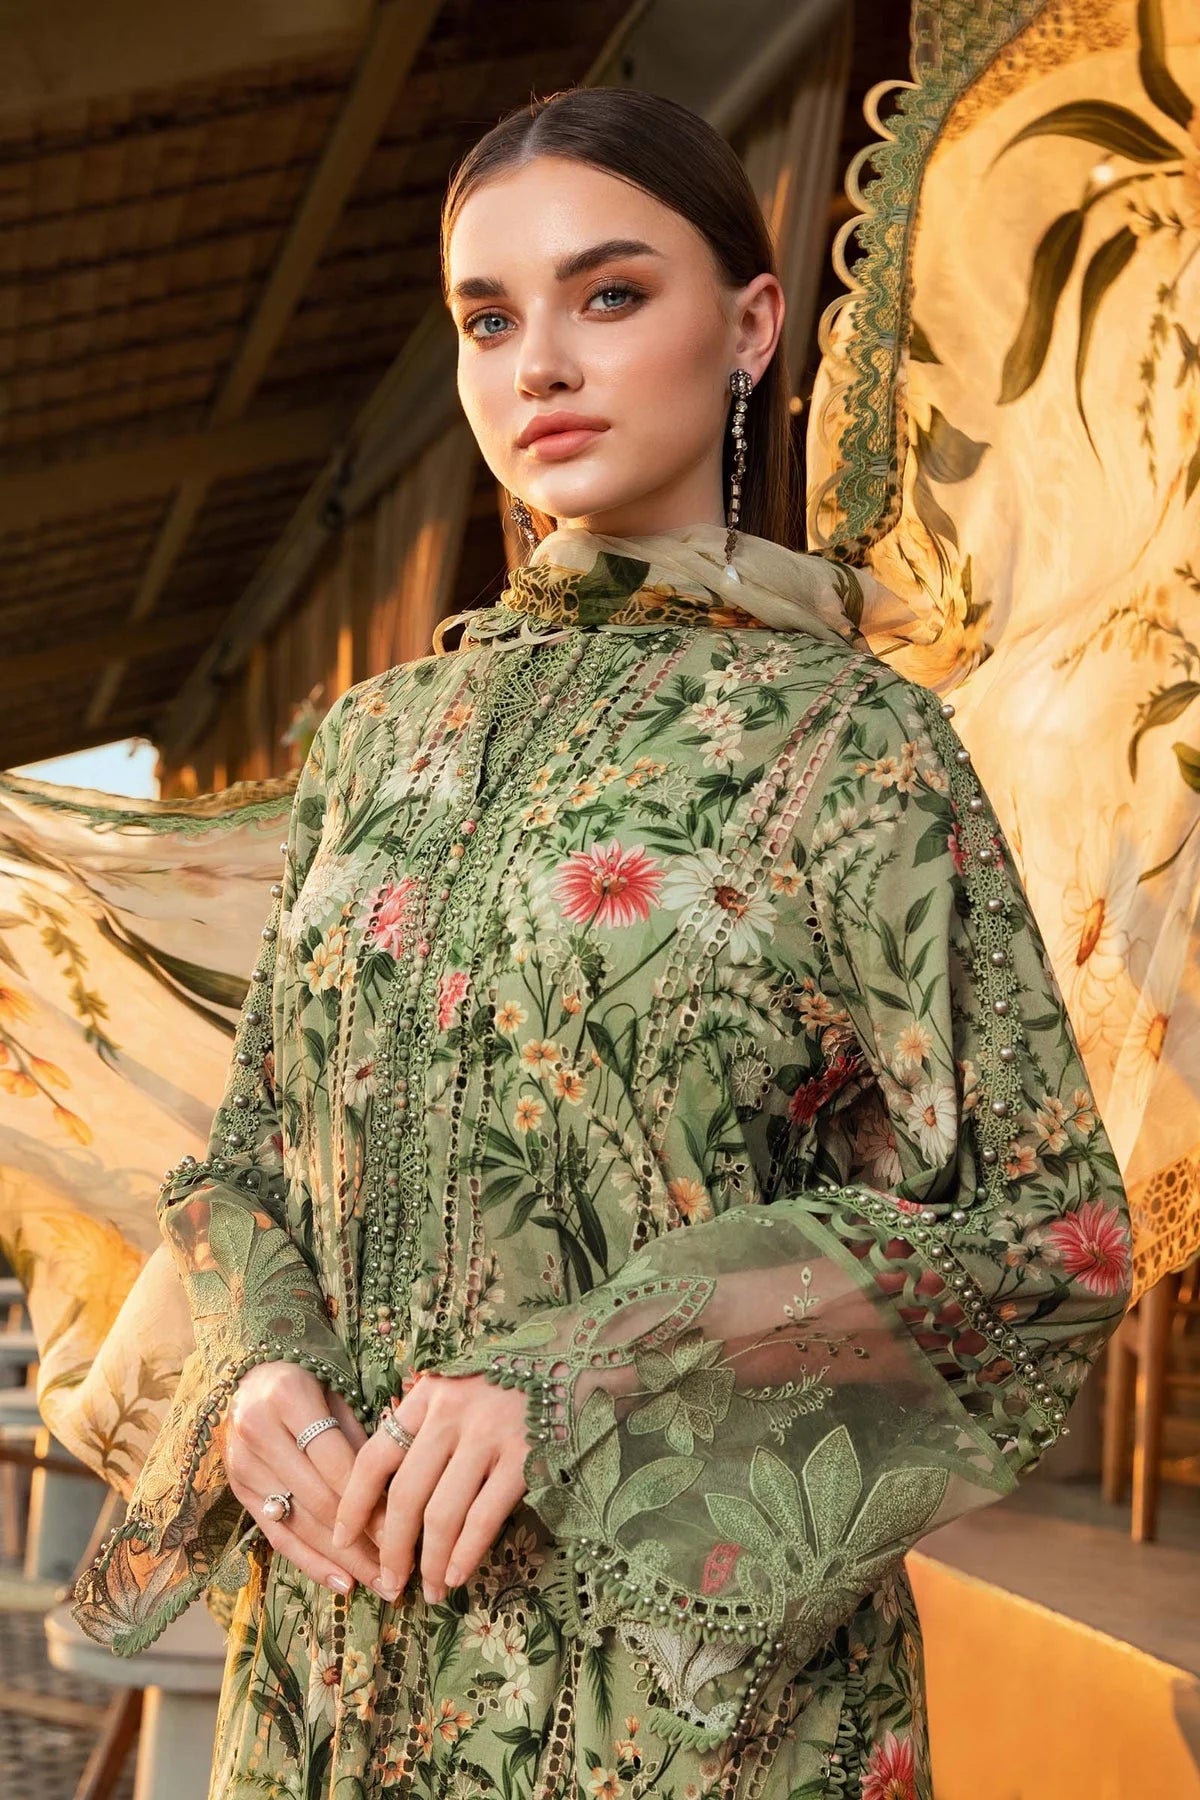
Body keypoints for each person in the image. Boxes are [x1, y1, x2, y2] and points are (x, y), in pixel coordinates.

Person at [74, 87, 1133, 1800]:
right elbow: (255, 1152)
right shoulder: (377, 741)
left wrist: (586, 1371)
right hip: (338, 1674)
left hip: (694, 1705)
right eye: (487, 318)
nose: (536, 364)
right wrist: (254, 1357)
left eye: (609, 293)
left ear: (752, 326)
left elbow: (1047, 1231)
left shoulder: (848, 745)